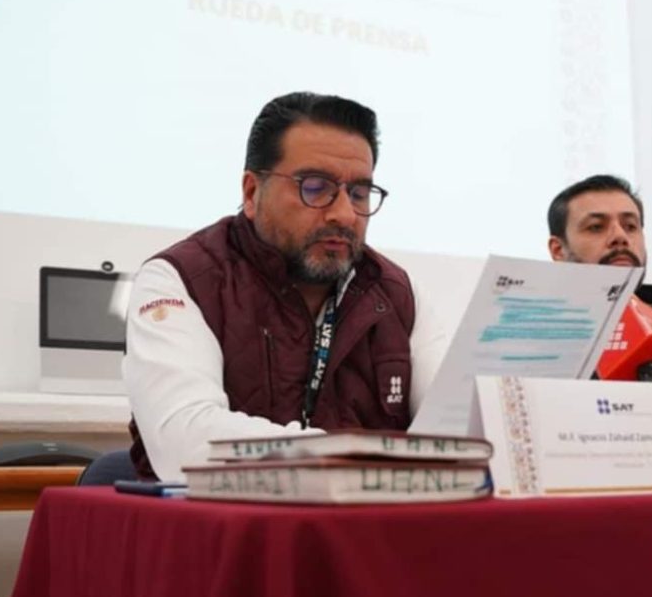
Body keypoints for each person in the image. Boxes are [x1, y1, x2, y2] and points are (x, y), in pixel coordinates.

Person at [123, 92, 445, 481]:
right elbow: (186, 442)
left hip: (370, 517)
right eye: (315, 187)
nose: (345, 214)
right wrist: (355, 459)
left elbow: (460, 427)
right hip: (223, 519)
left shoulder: (399, 295)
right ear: (251, 193)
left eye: (359, 194)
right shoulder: (181, 280)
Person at [546, 174, 652, 383]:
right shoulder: (532, 339)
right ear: (558, 250)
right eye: (596, 227)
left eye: (630, 226)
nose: (620, 236)